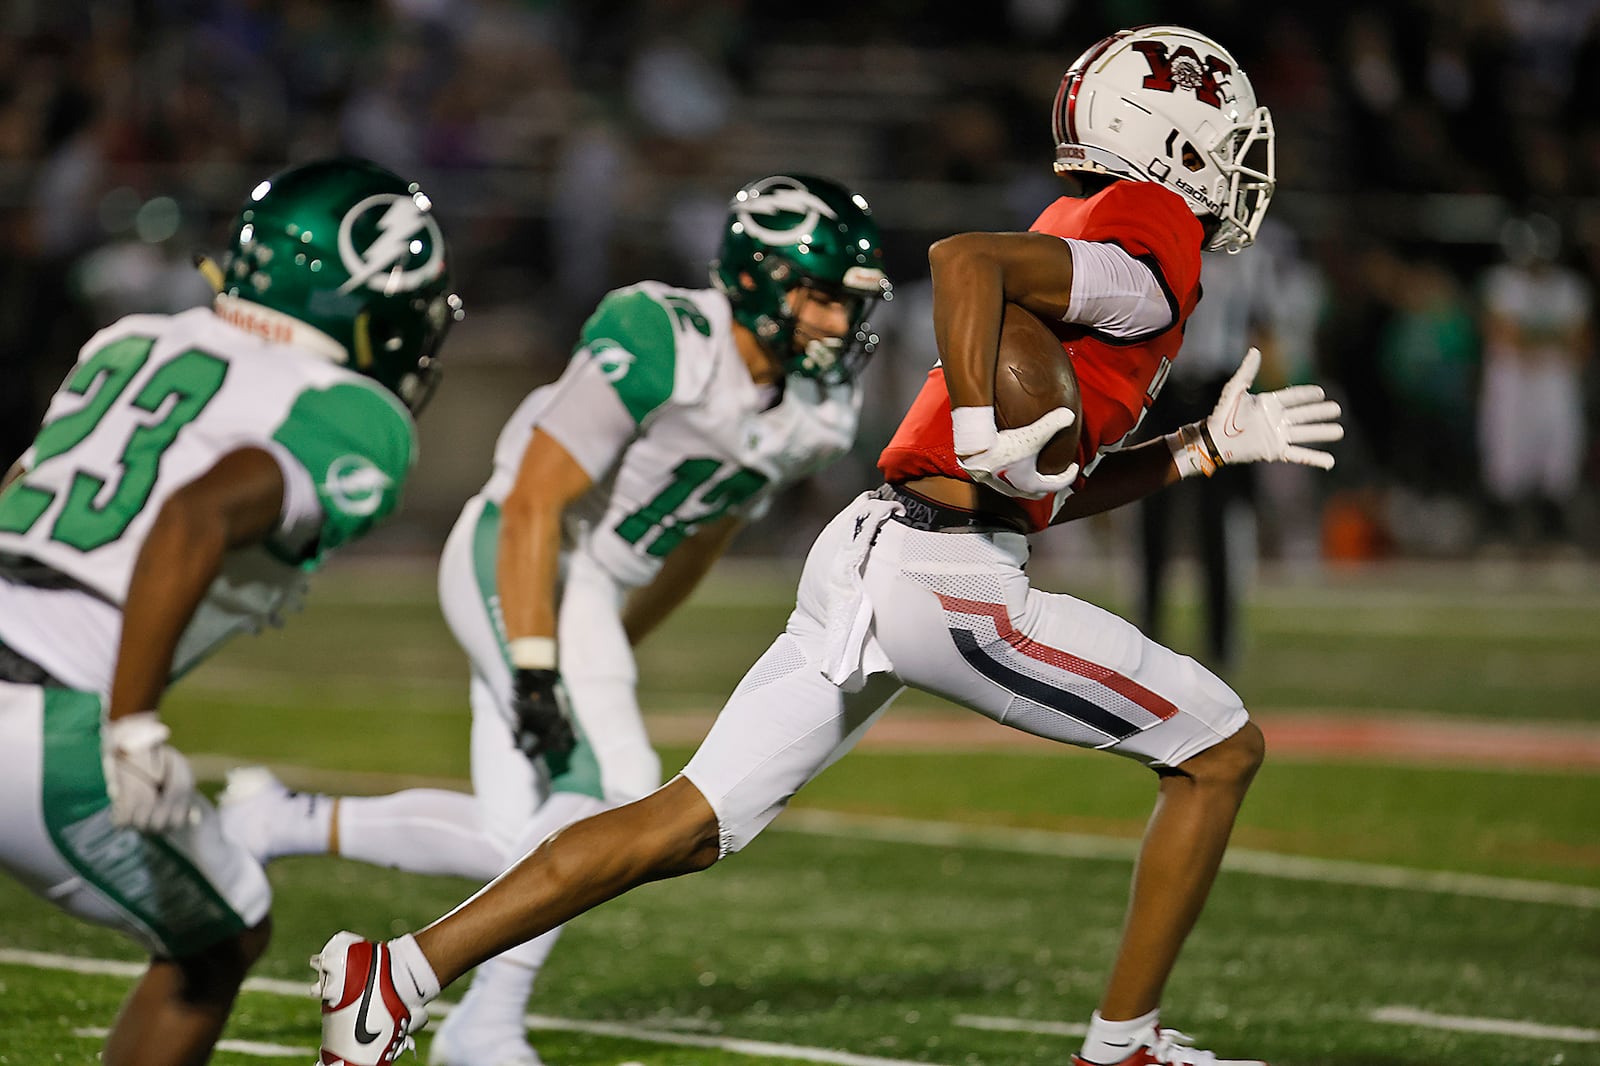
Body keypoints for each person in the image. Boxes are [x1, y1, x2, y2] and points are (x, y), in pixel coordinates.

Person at [312, 26, 1343, 1066]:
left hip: (884, 550)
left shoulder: (1092, 246)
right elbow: (960, 262)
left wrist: (1199, 448)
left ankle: (392, 974)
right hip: (949, 577)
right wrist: (987, 421)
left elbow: (1037, 488)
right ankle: (1122, 1046)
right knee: (1217, 747)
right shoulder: (1146, 245)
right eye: (1225, 133)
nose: (1242, 161)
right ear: (1164, 138)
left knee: (689, 821)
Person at [223, 172, 892, 1066]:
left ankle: (280, 822)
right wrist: (541, 663)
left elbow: (701, 537)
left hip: (591, 600)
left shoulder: (819, 409)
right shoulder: (664, 335)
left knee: (521, 839)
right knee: (611, 791)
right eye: (820, 297)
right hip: (518, 550)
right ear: (762, 277)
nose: (838, 325)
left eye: (850, 303)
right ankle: (475, 1021)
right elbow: (537, 496)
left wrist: (614, 642)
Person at [0, 156, 461, 1066]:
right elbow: (195, 514)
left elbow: (21, 488)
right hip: (44, 713)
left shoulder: (136, 339)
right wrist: (132, 727)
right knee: (224, 933)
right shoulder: (351, 412)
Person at [1136, 236, 1282, 671]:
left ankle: (1221, 640)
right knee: (1150, 514)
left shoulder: (1253, 257)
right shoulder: (1163, 245)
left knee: (1218, 520)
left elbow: (1263, 328)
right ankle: (1146, 635)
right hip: (1164, 390)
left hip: (1220, 392)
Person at [1476, 212, 1594, 554]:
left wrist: (1530, 337)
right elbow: (1505, 334)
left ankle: (1555, 538)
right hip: (1512, 388)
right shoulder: (1502, 283)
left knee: (1558, 463)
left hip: (1554, 387)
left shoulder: (1569, 288)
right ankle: (1501, 538)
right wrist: (1554, 337)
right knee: (1506, 462)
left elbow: (1581, 343)